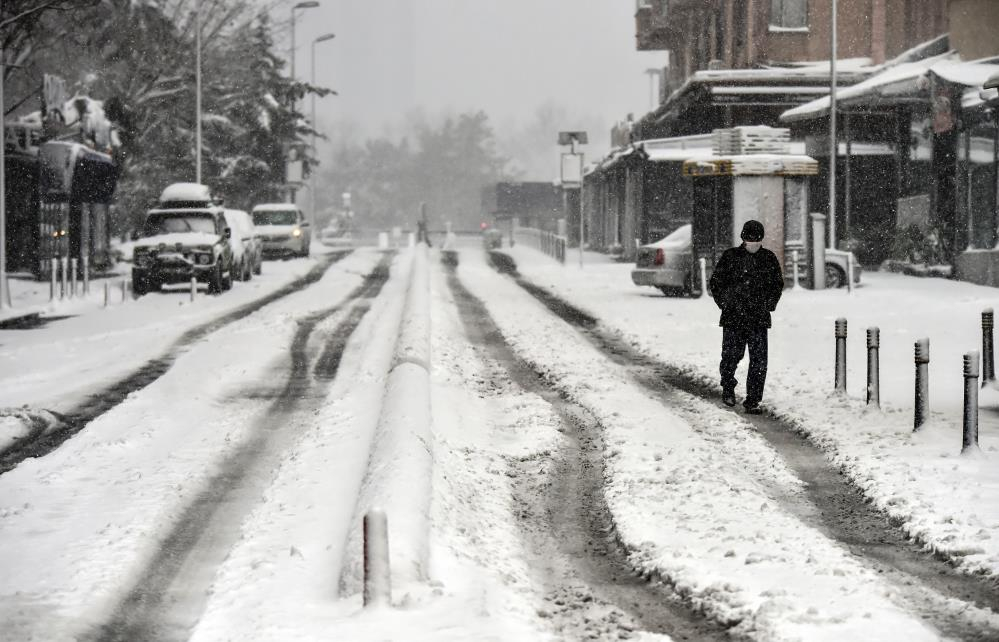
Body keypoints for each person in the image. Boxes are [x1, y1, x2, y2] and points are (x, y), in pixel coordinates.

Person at [708, 220, 784, 414]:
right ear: (743, 238)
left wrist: (769, 304)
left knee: (759, 360)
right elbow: (716, 283)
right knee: (731, 356)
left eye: (757, 239)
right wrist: (726, 304)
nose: (753, 243)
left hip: (758, 317)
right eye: (750, 239)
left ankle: (753, 399)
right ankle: (728, 387)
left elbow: (777, 285)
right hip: (734, 316)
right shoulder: (731, 257)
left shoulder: (768, 259)